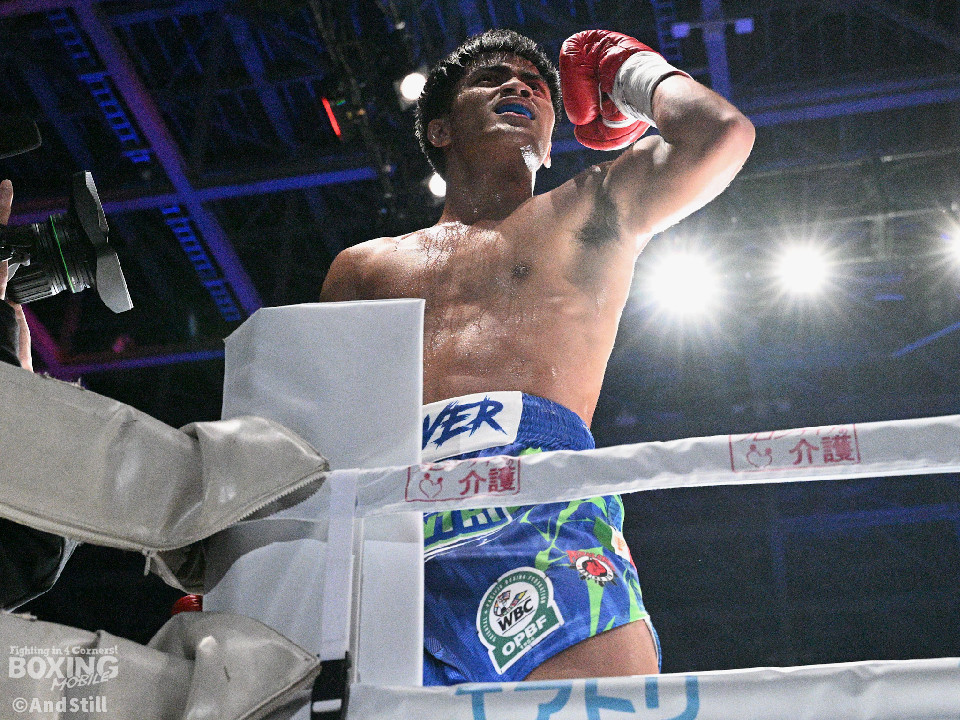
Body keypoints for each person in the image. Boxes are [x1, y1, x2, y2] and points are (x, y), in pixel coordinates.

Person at [320, 27, 754, 685]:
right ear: (439, 129)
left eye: (536, 84)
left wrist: (629, 72)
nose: (518, 85)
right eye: (491, 77)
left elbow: (719, 134)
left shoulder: (590, 210)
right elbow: (318, 426)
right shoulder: (363, 268)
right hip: (388, 519)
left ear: (551, 143)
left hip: (539, 499)